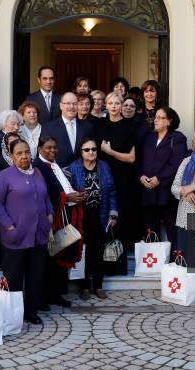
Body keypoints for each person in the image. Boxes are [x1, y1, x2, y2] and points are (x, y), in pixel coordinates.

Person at [0, 139, 54, 324]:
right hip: (16, 235)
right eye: (19, 153)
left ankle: (31, 311)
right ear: (12, 156)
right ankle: (13, 314)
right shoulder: (5, 176)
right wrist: (9, 225)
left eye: (26, 152)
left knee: (36, 276)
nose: (24, 156)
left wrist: (49, 213)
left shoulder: (38, 173)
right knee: (14, 277)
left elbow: (45, 197)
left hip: (39, 235)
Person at [34, 136, 85, 308]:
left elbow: (63, 187)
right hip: (49, 218)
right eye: (48, 147)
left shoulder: (55, 164)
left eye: (55, 147)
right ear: (39, 148)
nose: (52, 151)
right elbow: (42, 193)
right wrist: (66, 197)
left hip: (63, 215)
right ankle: (43, 297)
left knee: (58, 258)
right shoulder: (37, 166)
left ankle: (56, 294)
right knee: (48, 260)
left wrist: (75, 195)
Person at [95, 92, 139, 275]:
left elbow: (131, 158)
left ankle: (118, 267)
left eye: (117, 103)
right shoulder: (99, 125)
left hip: (123, 178)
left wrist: (110, 151)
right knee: (102, 220)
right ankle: (101, 268)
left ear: (122, 105)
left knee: (119, 222)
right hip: (102, 177)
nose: (114, 106)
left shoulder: (131, 126)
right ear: (106, 105)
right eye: (110, 103)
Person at [70, 138, 118, 300]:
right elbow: (68, 193)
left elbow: (111, 191)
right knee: (83, 252)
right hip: (81, 216)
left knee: (98, 252)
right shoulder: (74, 167)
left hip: (101, 215)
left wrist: (113, 213)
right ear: (81, 152)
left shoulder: (104, 166)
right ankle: (84, 286)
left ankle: (98, 285)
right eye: (87, 150)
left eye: (94, 149)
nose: (91, 152)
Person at [139, 107, 187, 247]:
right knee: (150, 232)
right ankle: (153, 267)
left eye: (160, 118)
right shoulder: (149, 137)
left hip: (167, 193)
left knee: (173, 232)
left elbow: (177, 163)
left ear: (169, 121)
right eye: (156, 117)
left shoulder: (177, 138)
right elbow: (140, 160)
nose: (156, 120)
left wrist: (159, 178)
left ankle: (175, 264)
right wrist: (141, 176)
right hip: (148, 192)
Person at [0, 131, 21, 264]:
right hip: (5, 217)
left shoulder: (26, 164)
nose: (15, 145)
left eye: (17, 142)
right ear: (5, 146)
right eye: (11, 143)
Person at [42, 92, 94, 168]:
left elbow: (92, 151)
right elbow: (44, 154)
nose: (72, 106)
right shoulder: (49, 127)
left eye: (75, 104)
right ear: (61, 106)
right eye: (68, 103)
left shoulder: (88, 127)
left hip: (83, 174)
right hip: (58, 174)